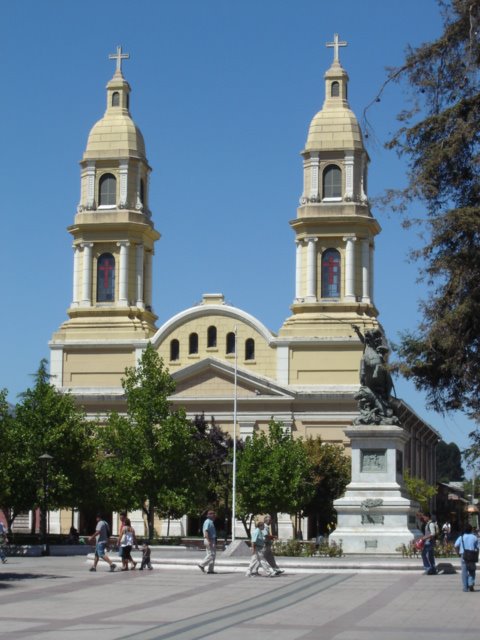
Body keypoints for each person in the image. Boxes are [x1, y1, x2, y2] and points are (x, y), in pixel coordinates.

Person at [455, 523, 479, 592]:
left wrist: (458, 554)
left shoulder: (461, 537)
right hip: (472, 555)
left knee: (464, 571)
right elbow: (478, 548)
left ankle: (465, 587)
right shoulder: (474, 537)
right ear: (471, 529)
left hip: (464, 555)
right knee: (472, 570)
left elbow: (456, 546)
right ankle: (471, 583)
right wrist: (476, 555)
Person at [198, 510, 217, 574]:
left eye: (214, 514)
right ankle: (201, 565)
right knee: (211, 555)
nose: (214, 515)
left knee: (212, 555)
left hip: (212, 539)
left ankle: (210, 570)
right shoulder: (207, 522)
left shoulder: (211, 522)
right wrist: (209, 540)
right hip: (209, 540)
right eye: (213, 514)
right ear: (209, 515)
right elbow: (206, 532)